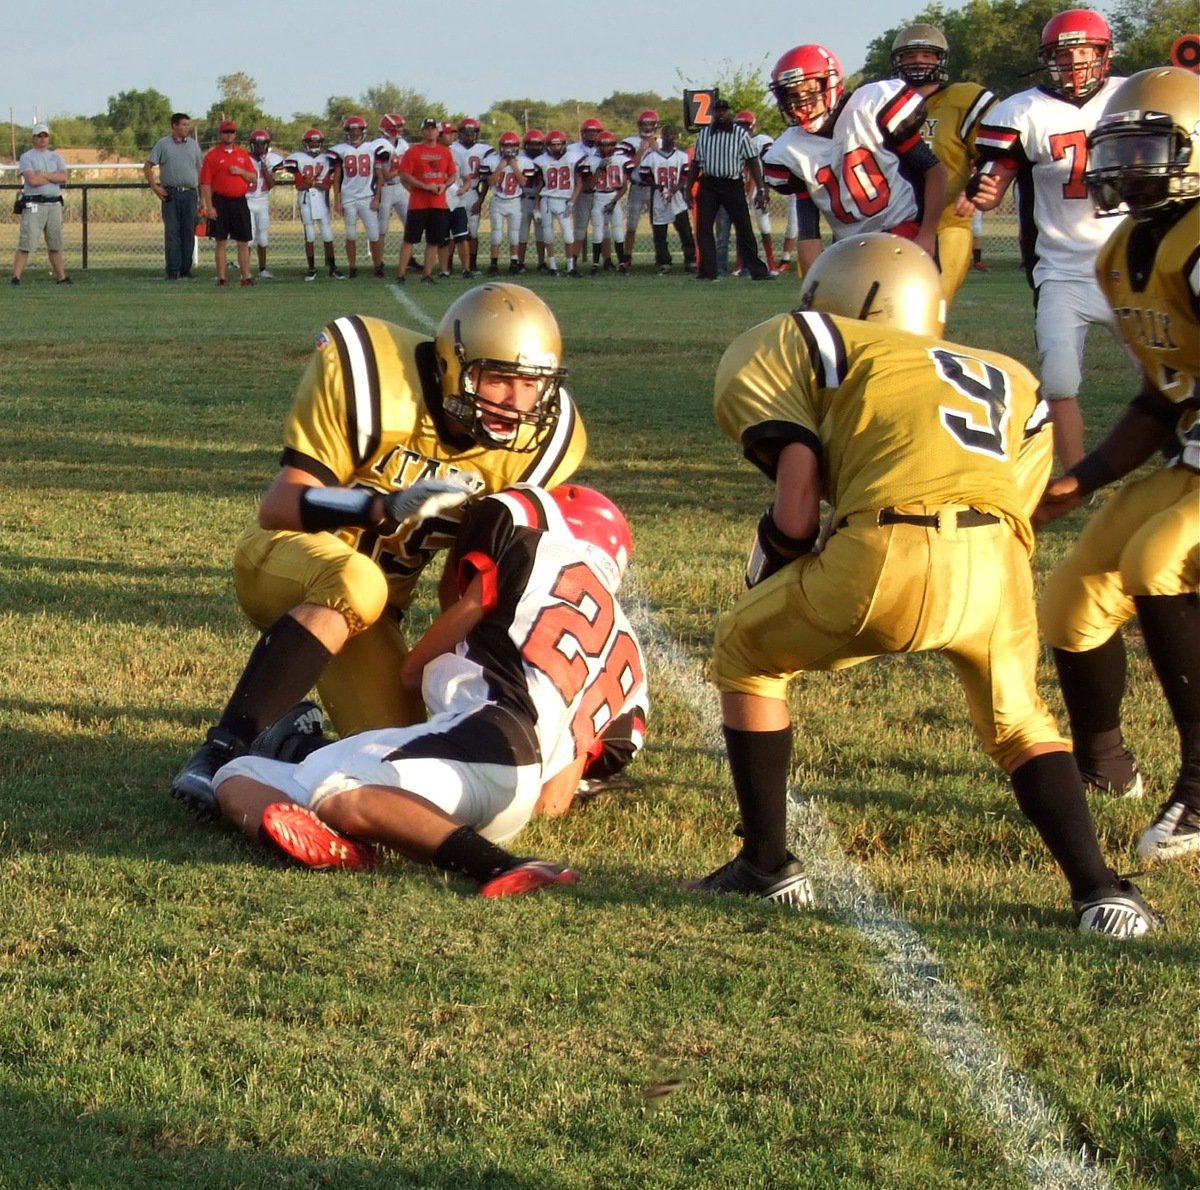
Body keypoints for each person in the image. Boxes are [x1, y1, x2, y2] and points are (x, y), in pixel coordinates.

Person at [691, 233, 1159, 938]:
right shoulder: (1006, 372)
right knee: (1019, 723)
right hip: (996, 559)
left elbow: (798, 478)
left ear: (842, 298)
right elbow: (1026, 495)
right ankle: (1101, 892)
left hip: (885, 550)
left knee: (745, 654)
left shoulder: (818, 342)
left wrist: (782, 555)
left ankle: (765, 864)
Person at [170, 283, 588, 816]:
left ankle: (288, 742)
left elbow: (462, 586)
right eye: (499, 378)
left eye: (530, 384)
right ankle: (220, 750)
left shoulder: (541, 449)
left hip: (375, 616)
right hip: (286, 559)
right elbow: (277, 506)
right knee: (357, 581)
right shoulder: (374, 375)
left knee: (406, 765)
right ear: (454, 367)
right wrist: (375, 510)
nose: (515, 401)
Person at [213, 484, 649, 898]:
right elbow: (552, 803)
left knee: (338, 792)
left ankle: (498, 865)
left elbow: (455, 623)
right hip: (507, 793)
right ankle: (345, 844)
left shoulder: (536, 545)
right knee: (237, 776)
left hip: (483, 733)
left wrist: (417, 668)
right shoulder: (627, 653)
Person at [1035, 67, 1199, 860]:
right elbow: (1160, 399)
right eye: (1119, 149)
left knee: (1158, 559)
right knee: (1071, 599)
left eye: (1147, 148)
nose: (1124, 167)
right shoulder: (1124, 252)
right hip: (1194, 455)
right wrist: (1083, 477)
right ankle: (1105, 768)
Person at [960, 9, 1126, 469]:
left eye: (1084, 52)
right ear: (1047, 59)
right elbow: (996, 180)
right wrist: (986, 191)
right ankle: (1074, 478)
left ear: (1104, 54)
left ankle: (1183, 465)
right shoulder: (1023, 110)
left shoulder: (1132, 94)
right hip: (1062, 268)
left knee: (1166, 373)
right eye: (1063, 55)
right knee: (1059, 379)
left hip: (1132, 262)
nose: (1074, 63)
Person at [763, 44, 948, 276]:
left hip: (904, 232)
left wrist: (927, 234)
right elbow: (808, 231)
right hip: (850, 248)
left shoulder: (868, 107)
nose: (800, 102)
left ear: (830, 84)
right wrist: (814, 284)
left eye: (809, 91)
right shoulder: (790, 150)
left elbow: (934, 171)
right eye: (791, 95)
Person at [891, 23, 996, 304]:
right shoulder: (884, 104)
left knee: (928, 305)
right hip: (894, 225)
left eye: (927, 55)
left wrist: (976, 187)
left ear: (940, 60)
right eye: (910, 56)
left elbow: (995, 153)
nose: (918, 62)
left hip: (948, 223)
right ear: (898, 62)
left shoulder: (963, 99)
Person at [692, 99, 773, 281]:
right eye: (718, 111)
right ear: (713, 113)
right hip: (709, 183)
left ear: (728, 112)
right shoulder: (704, 134)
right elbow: (696, 162)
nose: (721, 114)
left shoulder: (739, 134)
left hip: (732, 183)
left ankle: (757, 271)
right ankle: (708, 271)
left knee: (743, 227)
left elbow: (752, 160)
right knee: (703, 228)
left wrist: (760, 187)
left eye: (724, 111)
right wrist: (689, 187)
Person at [10, 124, 72, 286]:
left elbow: (64, 177)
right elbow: (32, 180)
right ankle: (16, 277)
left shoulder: (56, 157)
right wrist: (53, 176)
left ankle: (61, 277)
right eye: (39, 136)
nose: (42, 139)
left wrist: (43, 174)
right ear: (34, 138)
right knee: (27, 242)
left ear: (49, 137)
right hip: (34, 203)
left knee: (55, 243)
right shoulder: (27, 157)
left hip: (54, 204)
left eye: (45, 135)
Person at [279, 129, 345, 281]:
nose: (314, 144)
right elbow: (299, 186)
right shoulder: (297, 158)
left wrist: (312, 183)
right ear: (306, 143)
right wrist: (312, 184)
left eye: (317, 141)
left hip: (321, 198)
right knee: (309, 233)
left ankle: (332, 267)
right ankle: (311, 267)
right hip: (306, 198)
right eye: (311, 141)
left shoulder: (327, 158)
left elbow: (327, 185)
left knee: (327, 233)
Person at [144, 112, 203, 281]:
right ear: (174, 126)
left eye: (188, 125)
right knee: (172, 232)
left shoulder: (193, 145)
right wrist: (155, 187)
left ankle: (186, 268)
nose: (186, 128)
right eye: (183, 125)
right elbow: (148, 166)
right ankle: (173, 269)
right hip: (171, 193)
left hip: (190, 193)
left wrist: (203, 197)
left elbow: (200, 169)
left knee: (188, 231)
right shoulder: (163, 144)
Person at [395, 118, 455, 284]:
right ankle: (401, 274)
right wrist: (424, 186)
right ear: (422, 131)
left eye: (433, 129)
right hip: (418, 204)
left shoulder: (445, 152)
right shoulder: (413, 152)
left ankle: (426, 274)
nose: (430, 132)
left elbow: (452, 174)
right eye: (427, 129)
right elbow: (404, 174)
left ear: (438, 132)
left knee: (434, 241)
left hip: (438, 203)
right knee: (410, 240)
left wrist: (444, 185)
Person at [199, 121, 258, 288]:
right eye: (225, 132)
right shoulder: (212, 156)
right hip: (220, 201)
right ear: (220, 134)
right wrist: (209, 206)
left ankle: (246, 276)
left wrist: (241, 172)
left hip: (239, 201)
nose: (229, 135)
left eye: (231, 132)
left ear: (235, 134)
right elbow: (205, 183)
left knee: (243, 241)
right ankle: (222, 278)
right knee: (221, 241)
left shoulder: (242, 154)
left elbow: (253, 177)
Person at [329, 115, 386, 278]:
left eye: (357, 130)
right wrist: (337, 201)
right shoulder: (341, 150)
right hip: (349, 197)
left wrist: (377, 197)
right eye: (351, 130)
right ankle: (352, 268)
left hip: (367, 196)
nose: (354, 133)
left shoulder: (372, 148)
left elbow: (380, 175)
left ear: (363, 131)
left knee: (374, 235)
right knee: (350, 235)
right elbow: (337, 178)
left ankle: (378, 266)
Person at [638, 123, 695, 274]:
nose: (670, 137)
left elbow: (686, 176)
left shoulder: (682, 157)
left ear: (676, 137)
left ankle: (690, 260)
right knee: (660, 232)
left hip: (677, 197)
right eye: (667, 134)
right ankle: (664, 261)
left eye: (672, 134)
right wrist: (659, 187)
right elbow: (645, 176)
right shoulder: (651, 158)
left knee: (685, 231)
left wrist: (676, 188)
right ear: (662, 137)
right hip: (659, 197)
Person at [481, 132, 537, 275]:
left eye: (512, 145)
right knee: (496, 234)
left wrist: (514, 167)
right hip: (498, 200)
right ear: (500, 147)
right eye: (506, 145)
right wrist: (500, 167)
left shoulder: (523, 161)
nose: (509, 148)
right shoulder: (491, 161)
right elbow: (490, 182)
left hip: (515, 201)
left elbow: (524, 182)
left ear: (517, 147)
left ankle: (514, 262)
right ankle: (493, 263)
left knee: (514, 234)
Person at [532, 131, 584, 277]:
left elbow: (580, 182)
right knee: (548, 234)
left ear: (564, 144)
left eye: (558, 144)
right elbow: (539, 184)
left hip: (565, 200)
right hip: (547, 200)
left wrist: (572, 201)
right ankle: (552, 266)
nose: (555, 147)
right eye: (552, 144)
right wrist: (536, 206)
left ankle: (570, 267)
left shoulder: (574, 157)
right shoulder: (541, 160)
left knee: (568, 235)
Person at [734, 111, 779, 272]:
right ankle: (741, 263)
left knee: (764, 226)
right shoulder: (733, 142)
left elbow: (768, 164)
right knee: (742, 227)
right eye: (740, 125)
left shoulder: (761, 141)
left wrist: (764, 190)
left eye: (745, 125)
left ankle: (771, 262)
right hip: (740, 187)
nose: (743, 129)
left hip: (757, 189)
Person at [618, 110, 661, 272]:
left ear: (655, 125)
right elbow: (628, 166)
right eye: (644, 123)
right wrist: (642, 151)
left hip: (655, 188)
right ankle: (627, 258)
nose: (647, 127)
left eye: (650, 124)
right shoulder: (630, 142)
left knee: (658, 224)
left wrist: (658, 151)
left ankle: (660, 257)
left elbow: (667, 163)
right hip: (637, 186)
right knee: (631, 224)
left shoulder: (662, 142)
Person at [583, 130, 627, 273]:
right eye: (602, 145)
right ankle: (595, 264)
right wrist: (600, 168)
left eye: (609, 145)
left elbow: (624, 186)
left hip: (614, 195)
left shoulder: (621, 160)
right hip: (598, 196)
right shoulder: (591, 161)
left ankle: (622, 264)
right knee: (597, 232)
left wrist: (614, 201)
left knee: (618, 231)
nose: (605, 148)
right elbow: (590, 185)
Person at [245, 129, 283, 279]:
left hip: (263, 200)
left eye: (262, 144)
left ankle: (262, 269)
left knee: (263, 237)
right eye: (256, 144)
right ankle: (245, 269)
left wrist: (264, 167)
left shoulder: (272, 159)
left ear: (267, 145)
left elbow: (271, 184)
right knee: (249, 237)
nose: (259, 147)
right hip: (247, 199)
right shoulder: (245, 158)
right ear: (252, 144)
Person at [374, 113, 410, 256]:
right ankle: (379, 262)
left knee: (410, 225)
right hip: (385, 188)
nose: (401, 129)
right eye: (398, 126)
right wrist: (401, 169)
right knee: (382, 228)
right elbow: (385, 175)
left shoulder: (402, 144)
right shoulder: (379, 145)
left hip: (400, 187)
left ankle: (408, 258)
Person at [518, 129, 547, 273]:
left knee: (541, 232)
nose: (535, 147)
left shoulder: (545, 159)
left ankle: (542, 262)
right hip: (523, 198)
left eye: (538, 144)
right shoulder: (521, 158)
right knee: (521, 232)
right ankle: (520, 262)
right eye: (531, 144)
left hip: (541, 199)